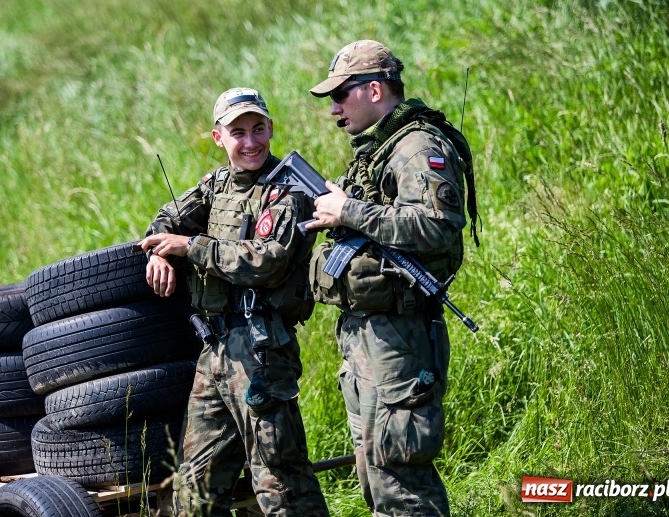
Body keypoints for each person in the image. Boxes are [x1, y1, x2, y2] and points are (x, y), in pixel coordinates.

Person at [304, 40, 480, 517]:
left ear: (375, 89)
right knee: (373, 470)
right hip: (369, 336)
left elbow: (436, 225)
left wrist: (350, 210)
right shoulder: (378, 149)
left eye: (341, 96)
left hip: (400, 339)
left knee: (401, 477)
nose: (335, 109)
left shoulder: (416, 146)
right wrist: (343, 213)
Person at [138, 87, 329, 517]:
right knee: (196, 485)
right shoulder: (215, 185)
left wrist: (189, 247)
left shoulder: (287, 190)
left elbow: (267, 261)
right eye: (238, 132)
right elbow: (165, 220)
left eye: (258, 129)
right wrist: (159, 252)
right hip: (216, 352)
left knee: (280, 477)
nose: (251, 142)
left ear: (271, 129)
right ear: (218, 138)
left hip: (261, 350)